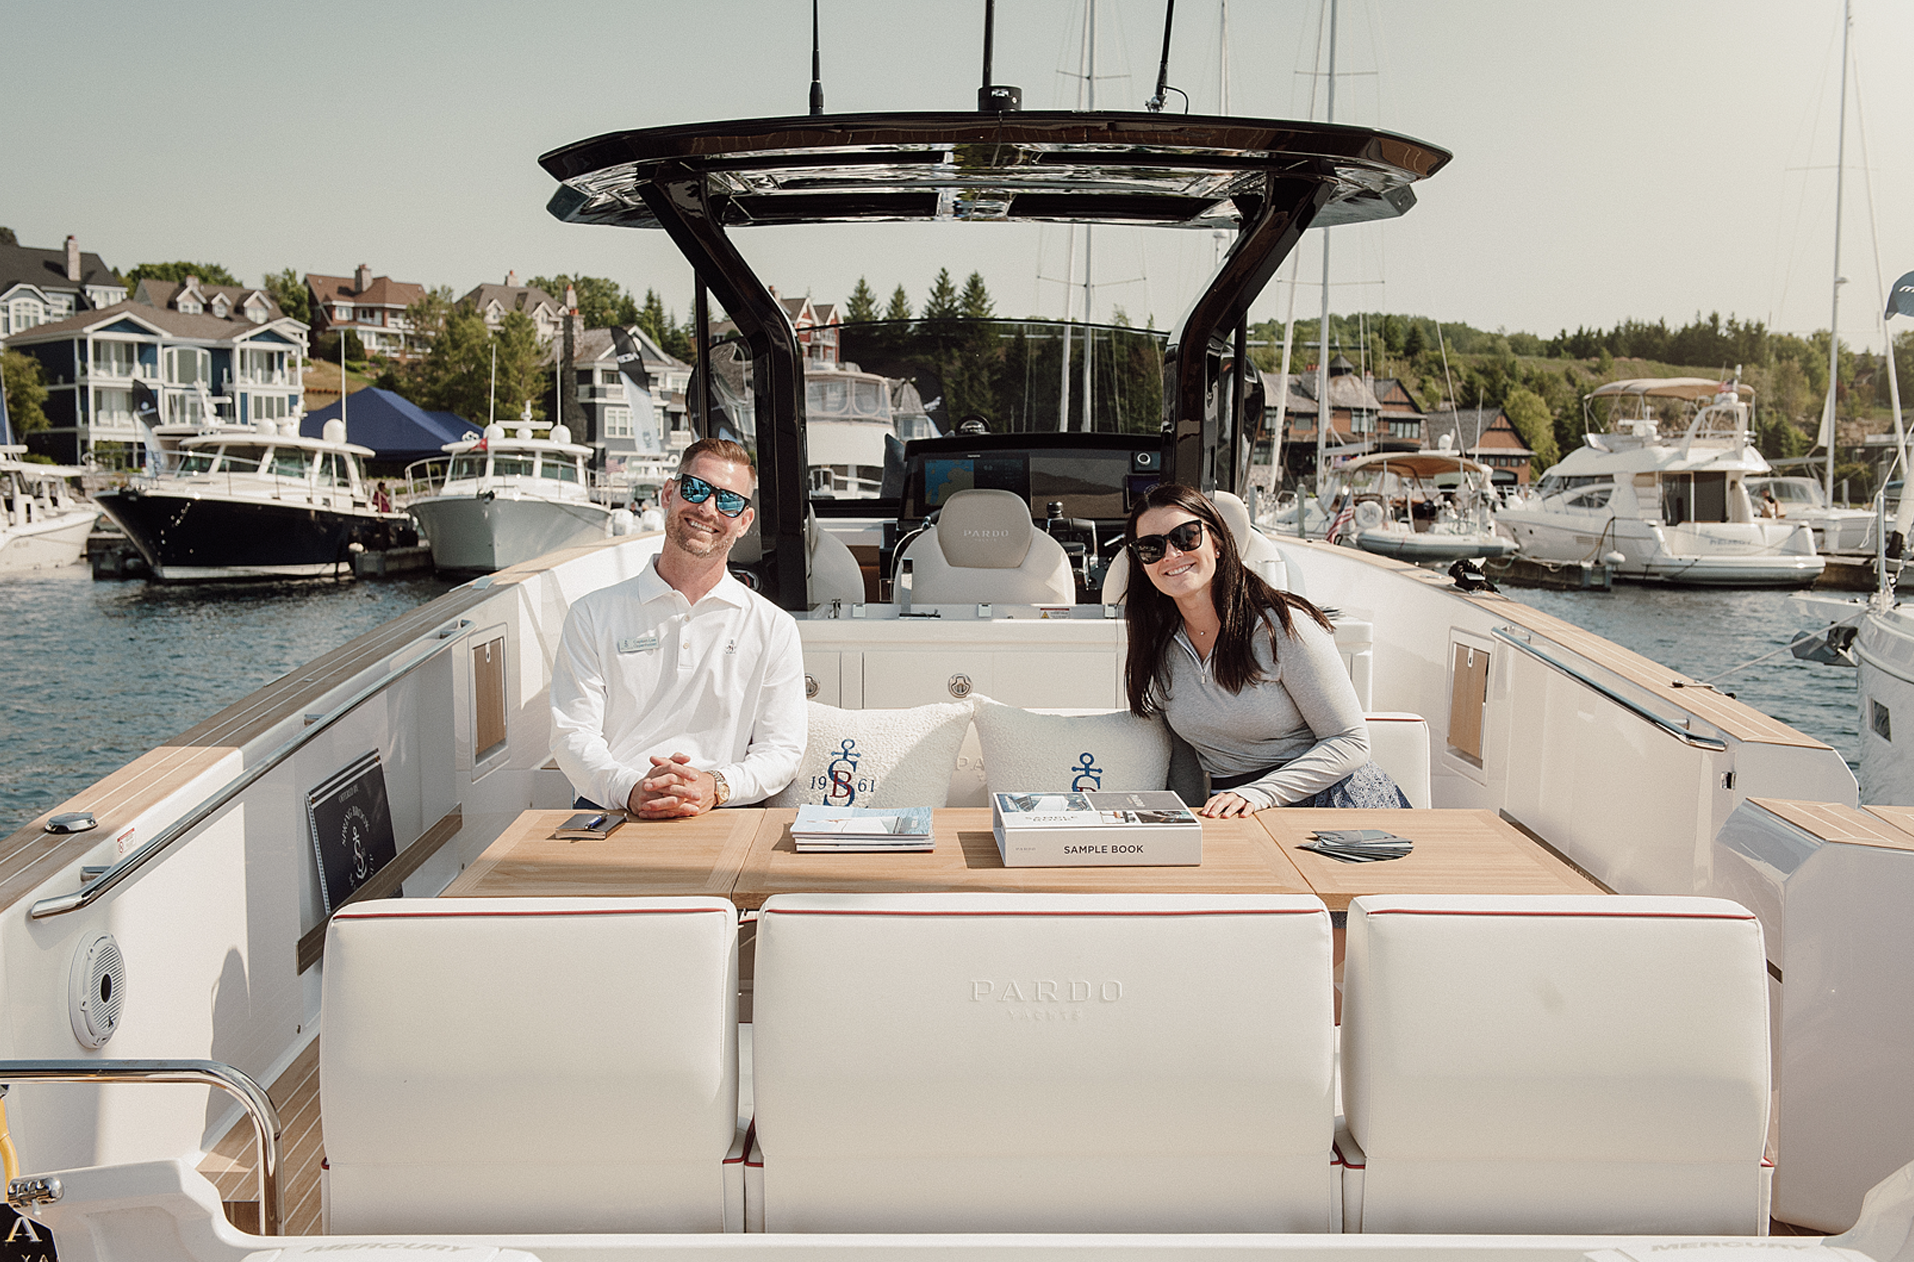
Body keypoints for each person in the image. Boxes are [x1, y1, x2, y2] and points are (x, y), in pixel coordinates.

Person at [550, 437, 806, 818]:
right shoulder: (591, 615)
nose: (708, 508)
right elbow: (572, 735)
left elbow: (782, 750)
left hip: (721, 809)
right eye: (696, 489)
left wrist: (716, 786)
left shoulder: (773, 627)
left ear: (744, 521)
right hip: (613, 807)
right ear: (669, 492)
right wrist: (631, 789)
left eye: (729, 501)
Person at [1122, 482, 1410, 818]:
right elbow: (1184, 754)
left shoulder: (1283, 626)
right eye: (1151, 548)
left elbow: (1349, 741)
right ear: (1142, 563)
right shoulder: (1158, 644)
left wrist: (1261, 793)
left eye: (1186, 537)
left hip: (1334, 802)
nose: (1171, 554)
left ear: (1216, 543)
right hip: (1237, 811)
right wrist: (1186, 819)